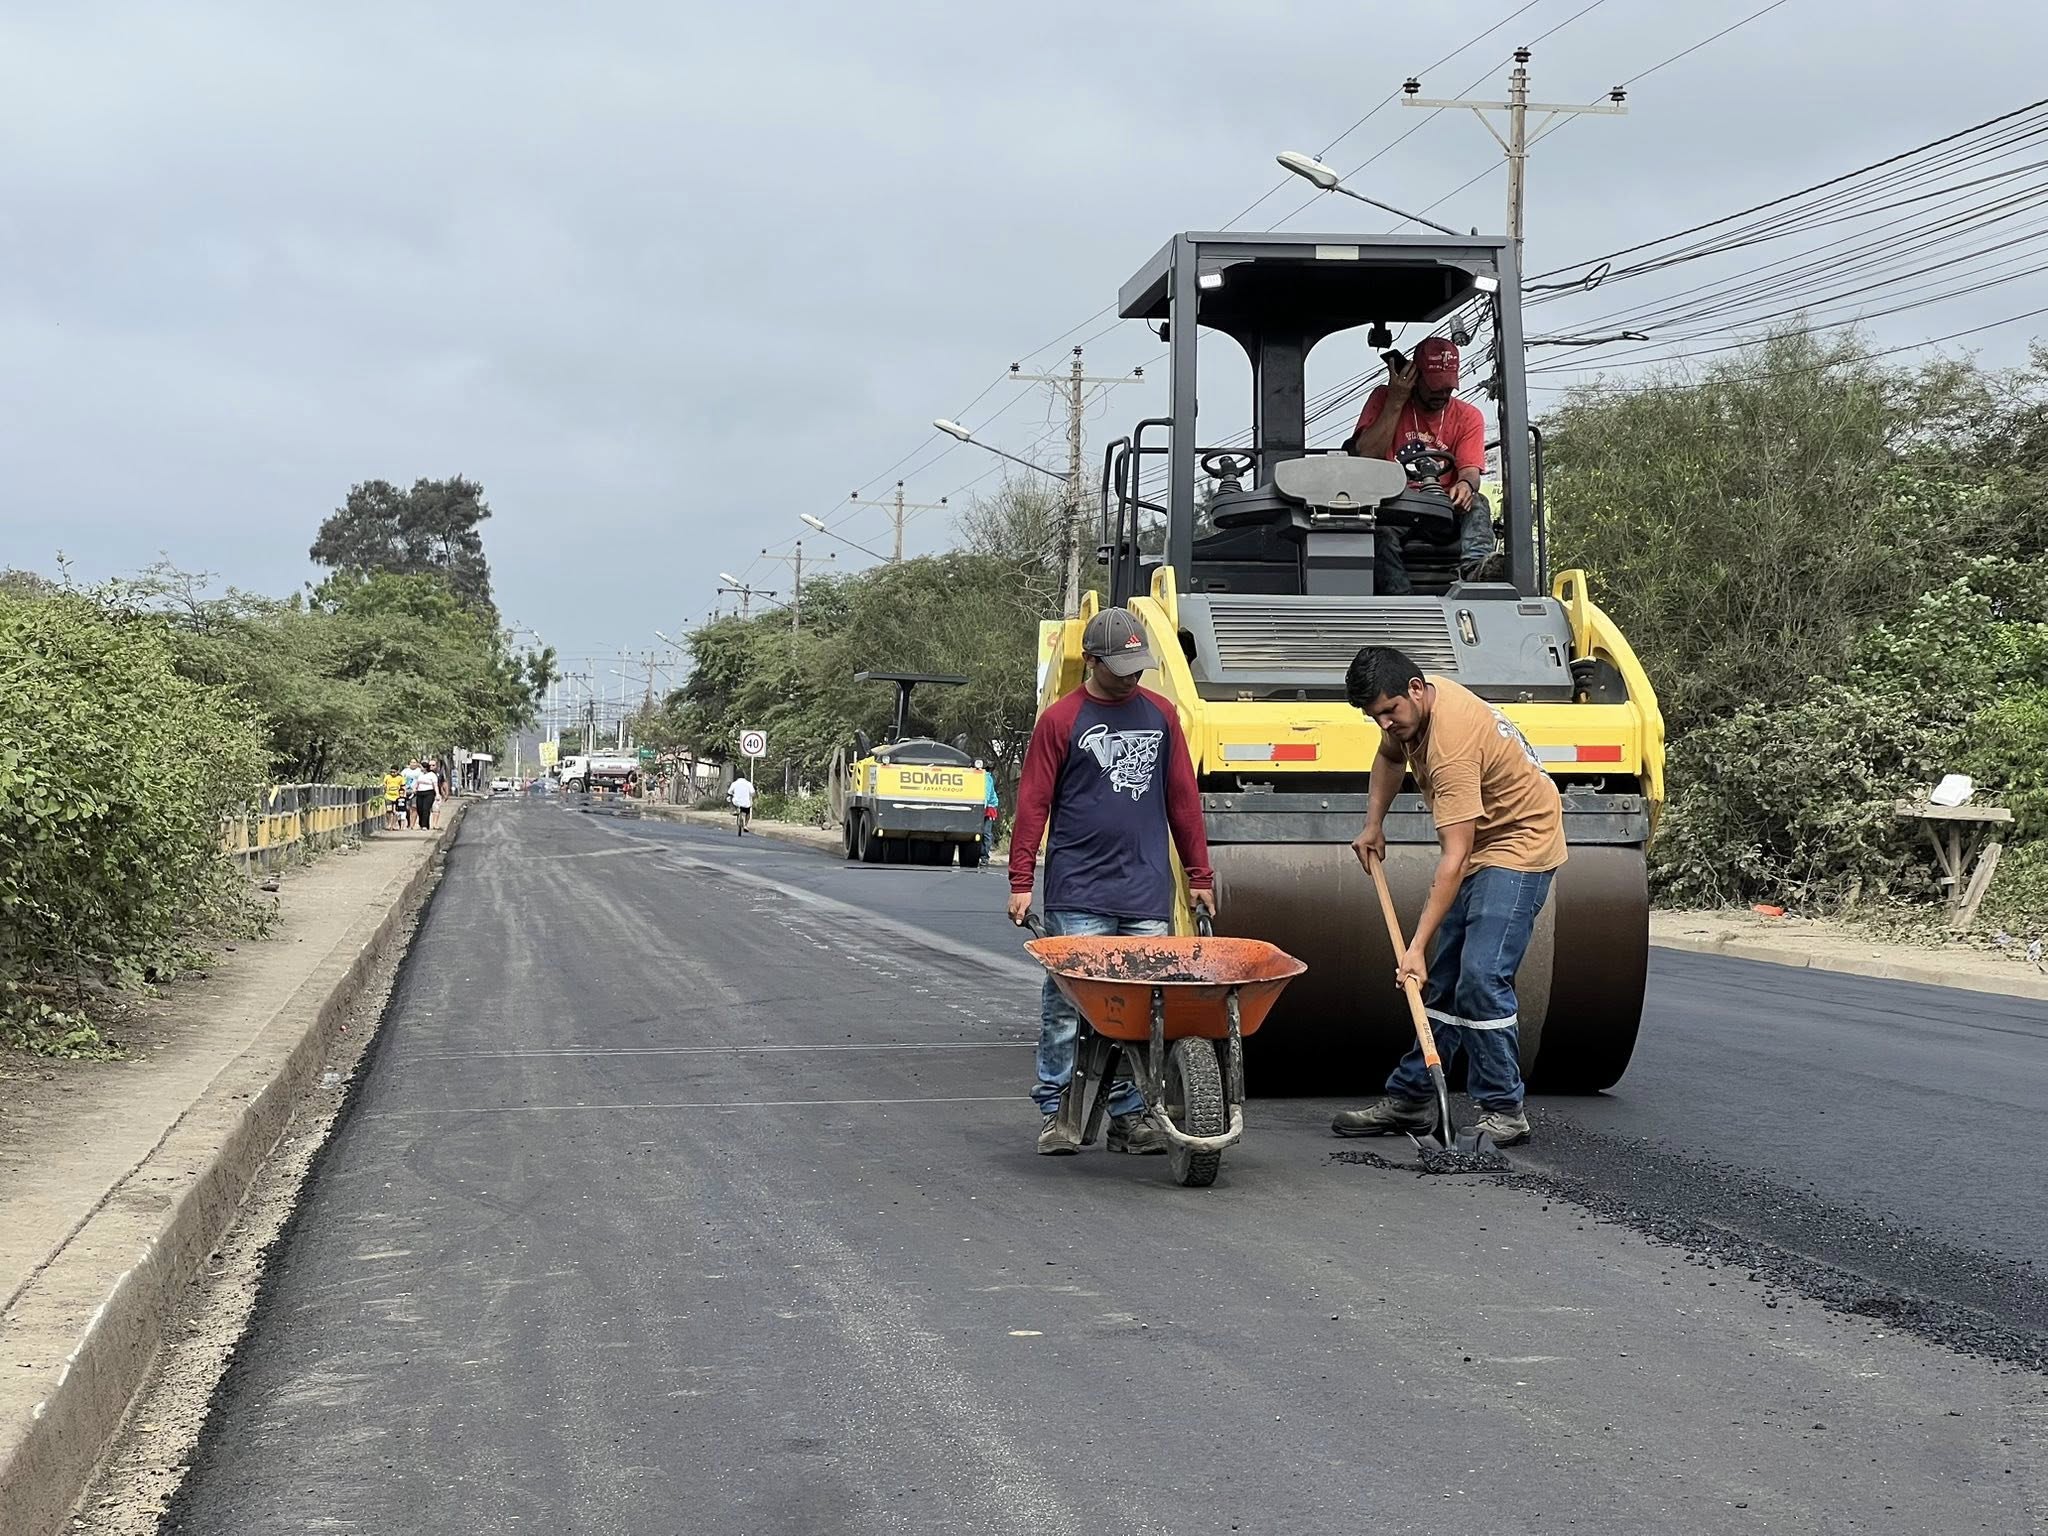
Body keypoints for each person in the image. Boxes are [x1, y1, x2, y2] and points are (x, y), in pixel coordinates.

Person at [1330, 646, 1566, 1148]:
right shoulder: (1412, 707)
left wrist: (1415, 947)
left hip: (1519, 842)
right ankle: (1414, 1097)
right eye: (1376, 716)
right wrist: (1374, 825)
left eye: (1390, 711)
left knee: (1480, 977)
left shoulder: (1452, 747)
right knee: (1446, 981)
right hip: (1484, 840)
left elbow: (1453, 861)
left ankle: (1504, 1109)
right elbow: (1390, 757)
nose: (1386, 723)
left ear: (1415, 690)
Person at [1007, 606, 1217, 1157]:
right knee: (1067, 1004)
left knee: (1143, 1009)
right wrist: (1020, 878)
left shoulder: (1162, 716)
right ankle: (1058, 1112)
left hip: (1145, 892)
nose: (1132, 675)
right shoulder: (1060, 720)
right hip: (1079, 892)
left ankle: (1130, 1115)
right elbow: (1033, 803)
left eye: (1138, 665)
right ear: (1094, 661)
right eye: (1121, 666)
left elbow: (1183, 802)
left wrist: (1199, 875)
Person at [1346, 335, 1496, 592]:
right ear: (1415, 375)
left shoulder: (1469, 416)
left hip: (1443, 509)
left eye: (1448, 386)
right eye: (1435, 385)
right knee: (1377, 534)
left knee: (1479, 503)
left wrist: (1464, 484)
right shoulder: (1385, 399)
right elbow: (1366, 456)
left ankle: (1476, 570)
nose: (1443, 393)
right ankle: (1402, 601)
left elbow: (1470, 470)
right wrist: (1396, 400)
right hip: (1395, 506)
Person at [977, 760, 1000, 863]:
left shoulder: (985, 778)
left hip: (988, 807)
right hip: (986, 806)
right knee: (984, 832)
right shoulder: (987, 777)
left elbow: (986, 793)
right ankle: (983, 855)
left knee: (986, 832)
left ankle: (984, 856)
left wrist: (982, 807)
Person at [413, 760, 439, 830]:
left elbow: (435, 785)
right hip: (420, 793)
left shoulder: (432, 775)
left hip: (429, 793)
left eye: (421, 767)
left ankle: (425, 825)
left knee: (425, 809)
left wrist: (437, 794)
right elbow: (417, 782)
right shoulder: (420, 775)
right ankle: (421, 824)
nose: (420, 769)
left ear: (425, 768)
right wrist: (415, 788)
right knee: (419, 809)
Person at [383, 766, 405, 831]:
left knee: (396, 811)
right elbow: (384, 785)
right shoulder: (387, 777)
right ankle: (389, 823)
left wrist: (403, 796)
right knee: (388, 810)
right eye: (391, 772)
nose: (392, 773)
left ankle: (395, 824)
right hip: (388, 796)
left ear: (397, 771)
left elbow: (403, 787)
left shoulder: (400, 778)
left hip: (397, 797)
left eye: (394, 772)